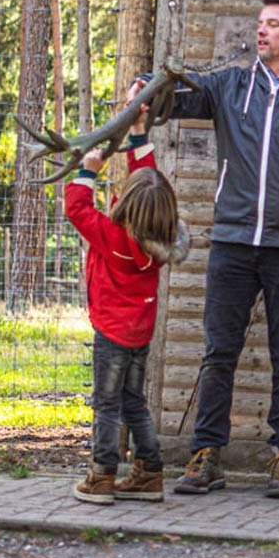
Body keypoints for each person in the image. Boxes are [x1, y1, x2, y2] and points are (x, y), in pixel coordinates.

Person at [133, 0, 279, 499]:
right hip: (234, 240)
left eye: (273, 24)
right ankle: (207, 452)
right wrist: (146, 89)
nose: (262, 31)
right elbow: (174, 103)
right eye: (259, 23)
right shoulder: (232, 83)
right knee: (219, 352)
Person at [66, 105, 188, 505]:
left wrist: (87, 169)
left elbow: (77, 208)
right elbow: (150, 184)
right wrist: (138, 136)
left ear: (128, 205)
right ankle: (149, 473)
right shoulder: (159, 240)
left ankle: (101, 476)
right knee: (133, 402)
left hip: (111, 334)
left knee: (106, 404)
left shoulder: (112, 237)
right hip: (140, 334)